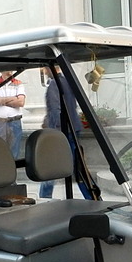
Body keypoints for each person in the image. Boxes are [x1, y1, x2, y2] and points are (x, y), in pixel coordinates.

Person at [39, 66, 92, 199]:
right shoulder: (67, 81)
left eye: (44, 68)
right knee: (78, 167)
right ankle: (91, 196)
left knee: (50, 167)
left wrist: (53, 131)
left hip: (61, 131)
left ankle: (44, 198)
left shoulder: (54, 84)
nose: (43, 71)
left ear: (50, 68)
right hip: (73, 127)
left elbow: (55, 110)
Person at [0, 71, 25, 159]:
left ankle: (13, 166)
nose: (10, 70)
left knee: (14, 152)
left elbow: (20, 102)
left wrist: (1, 101)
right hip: (0, 122)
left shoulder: (18, 83)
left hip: (15, 121)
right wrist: (13, 98)